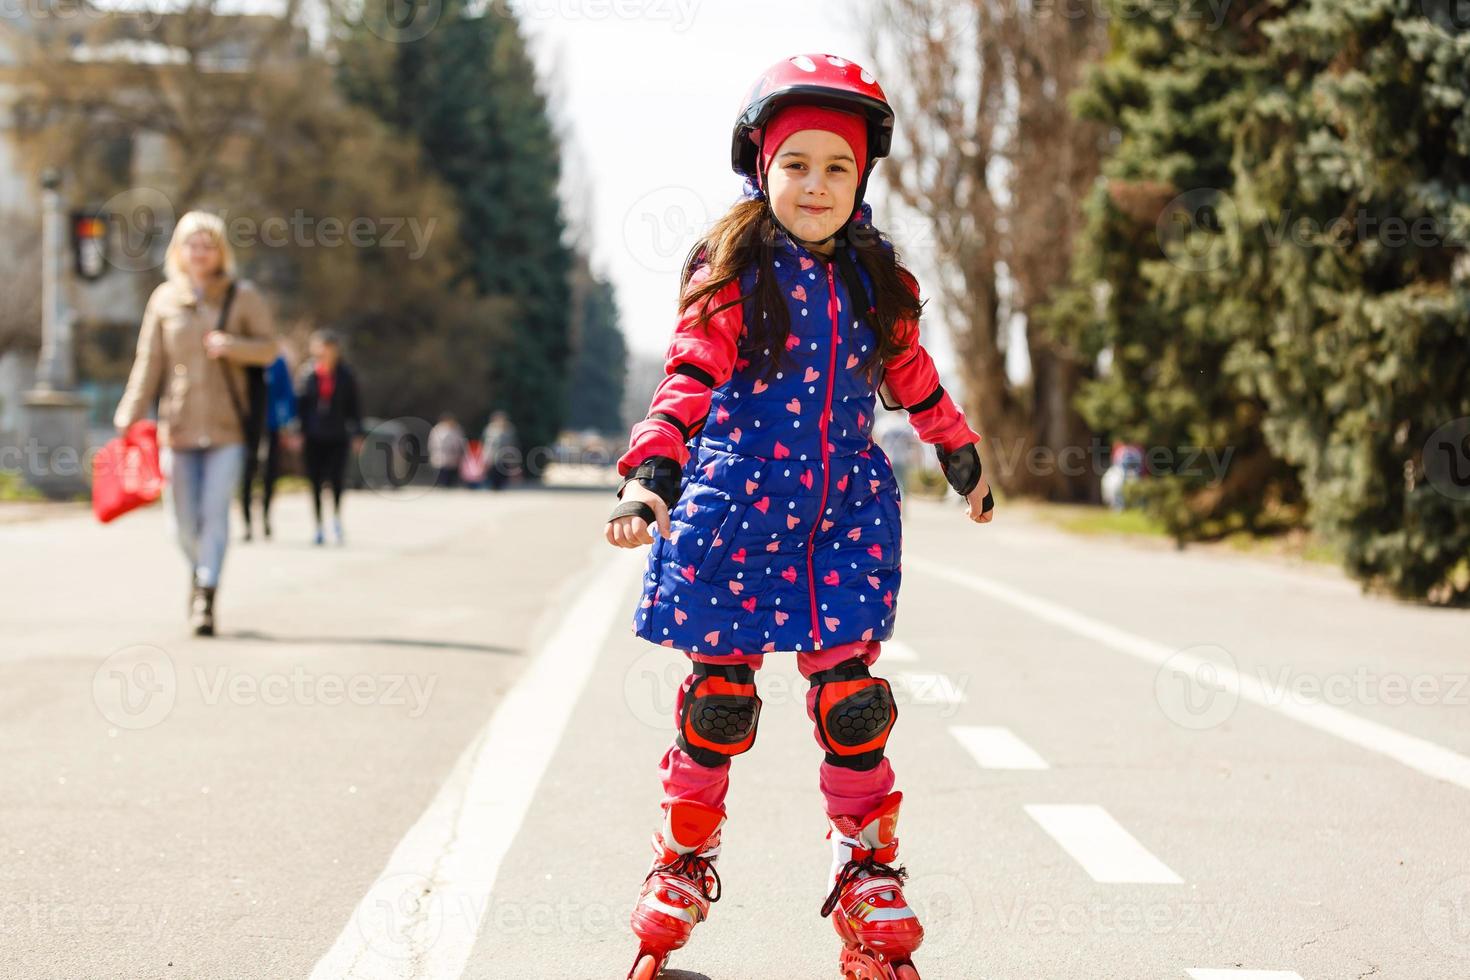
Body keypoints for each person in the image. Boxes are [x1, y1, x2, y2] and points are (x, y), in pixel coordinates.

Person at [604, 55, 993, 980]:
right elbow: (689, 375)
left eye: (837, 168)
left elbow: (911, 374)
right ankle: (683, 859)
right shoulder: (733, 267)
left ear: (861, 180)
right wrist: (652, 472)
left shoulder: (874, 276)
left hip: (840, 519)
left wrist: (959, 447)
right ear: (762, 168)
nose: (815, 185)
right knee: (719, 702)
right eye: (797, 165)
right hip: (736, 509)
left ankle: (868, 874)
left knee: (853, 706)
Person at [113, 210, 279, 636]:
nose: (199, 252)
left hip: (229, 427)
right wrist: (129, 414)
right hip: (179, 425)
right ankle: (199, 568)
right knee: (182, 521)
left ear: (220, 250)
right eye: (191, 244)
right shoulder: (165, 300)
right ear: (179, 252)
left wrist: (233, 346)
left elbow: (269, 350)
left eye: (207, 244)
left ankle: (206, 590)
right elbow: (148, 364)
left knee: (214, 512)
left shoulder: (243, 297)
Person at [293, 330, 363, 545]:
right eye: (319, 347)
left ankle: (336, 519)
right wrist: (297, 432)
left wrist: (358, 433)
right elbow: (300, 407)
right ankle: (318, 525)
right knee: (314, 481)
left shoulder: (346, 375)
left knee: (337, 479)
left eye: (327, 347)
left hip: (338, 435)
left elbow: (355, 406)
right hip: (313, 436)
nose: (323, 352)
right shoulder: (307, 374)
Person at [240, 345, 296, 542]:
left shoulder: (277, 362)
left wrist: (286, 422)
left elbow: (286, 393)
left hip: (272, 425)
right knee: (246, 474)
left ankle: (265, 517)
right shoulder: (244, 358)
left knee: (269, 474)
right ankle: (246, 523)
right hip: (246, 427)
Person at [428, 412, 467, 488]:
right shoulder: (438, 429)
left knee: (451, 473)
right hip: (440, 454)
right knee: (441, 472)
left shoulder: (457, 429)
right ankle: (440, 485)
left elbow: (460, 441)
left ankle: (449, 485)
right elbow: (433, 442)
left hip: (453, 456)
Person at [481, 410, 516, 491]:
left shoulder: (509, 429)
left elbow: (512, 443)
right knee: (493, 471)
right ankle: (493, 486)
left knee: (503, 470)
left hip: (504, 454)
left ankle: (500, 486)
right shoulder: (490, 429)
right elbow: (486, 443)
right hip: (492, 454)